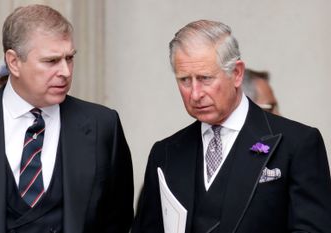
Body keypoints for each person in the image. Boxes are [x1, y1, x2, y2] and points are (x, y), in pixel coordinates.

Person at [0, 4, 134, 233]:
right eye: (51, 61)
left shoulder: (103, 126)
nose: (66, 72)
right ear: (13, 62)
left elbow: (117, 222)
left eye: (69, 58)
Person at [132, 20, 331, 233]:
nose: (195, 93)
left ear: (236, 73)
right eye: (185, 80)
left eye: (205, 78)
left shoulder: (297, 144)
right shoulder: (165, 153)